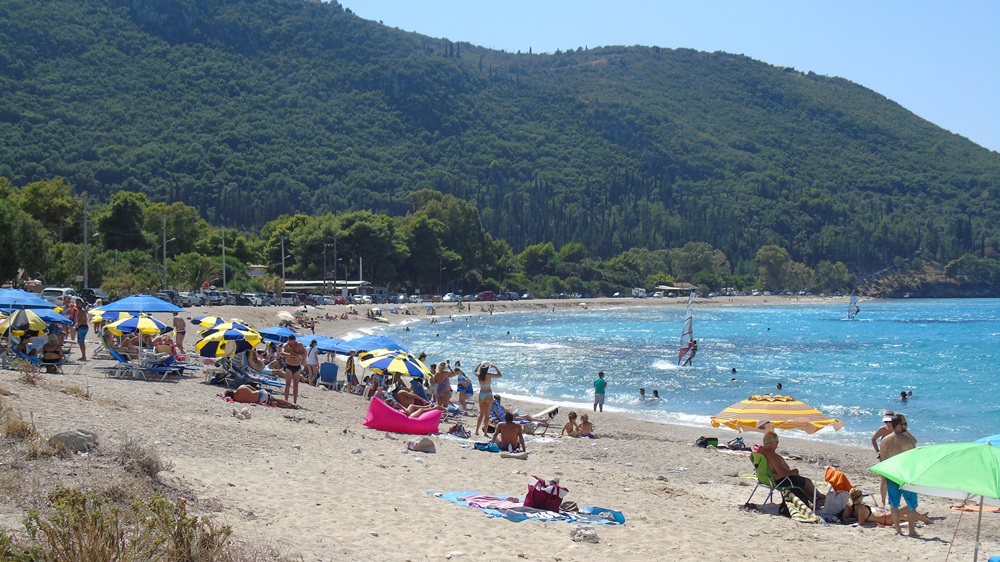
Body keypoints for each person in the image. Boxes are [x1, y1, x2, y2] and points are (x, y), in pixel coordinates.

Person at [759, 431, 825, 508]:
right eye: (777, 442)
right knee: (807, 482)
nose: (777, 444)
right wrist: (794, 471)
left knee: (801, 483)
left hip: (766, 479)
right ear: (773, 442)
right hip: (780, 481)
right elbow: (782, 474)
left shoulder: (760, 452)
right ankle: (822, 497)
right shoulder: (772, 456)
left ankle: (815, 501)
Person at [880, 413, 921, 536]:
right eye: (905, 424)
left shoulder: (885, 441)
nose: (906, 426)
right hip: (905, 475)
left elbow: (883, 459)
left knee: (894, 504)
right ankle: (911, 530)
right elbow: (914, 458)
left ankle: (898, 529)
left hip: (892, 474)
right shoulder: (907, 441)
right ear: (898, 426)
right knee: (911, 505)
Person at [842, 487, 931, 527]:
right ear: (859, 498)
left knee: (902, 516)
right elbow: (861, 523)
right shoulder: (861, 508)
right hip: (885, 519)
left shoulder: (849, 505)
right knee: (908, 507)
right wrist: (875, 524)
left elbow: (844, 518)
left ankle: (921, 517)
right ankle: (927, 521)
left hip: (884, 517)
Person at [871, 410, 895, 507]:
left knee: (894, 480)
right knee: (883, 480)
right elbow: (873, 439)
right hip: (884, 457)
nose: (888, 423)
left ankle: (893, 501)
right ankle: (883, 501)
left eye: (890, 421)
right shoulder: (882, 429)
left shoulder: (898, 429)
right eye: (886, 421)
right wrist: (877, 451)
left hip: (895, 457)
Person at [474, 361, 502, 436]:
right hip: (488, 394)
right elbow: (500, 375)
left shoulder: (479, 375)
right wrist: (495, 367)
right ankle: (485, 433)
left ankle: (476, 431)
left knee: (481, 414)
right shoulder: (489, 375)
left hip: (481, 394)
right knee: (487, 415)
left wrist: (478, 365)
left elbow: (475, 371)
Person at [225, 384, 300, 409]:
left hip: (260, 400)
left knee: (276, 404)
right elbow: (250, 387)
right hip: (260, 393)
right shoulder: (241, 387)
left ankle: (291, 407)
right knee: (276, 399)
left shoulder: (237, 399)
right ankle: (292, 404)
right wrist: (257, 391)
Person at [281, 334, 306, 405]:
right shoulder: (286, 345)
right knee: (288, 384)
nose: (292, 344)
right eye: (290, 342)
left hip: (297, 366)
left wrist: (298, 355)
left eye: (293, 342)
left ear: (295, 340)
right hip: (289, 366)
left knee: (296, 385)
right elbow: (282, 353)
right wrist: (290, 355)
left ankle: (294, 401)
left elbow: (304, 354)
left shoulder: (299, 345)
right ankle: (286, 400)